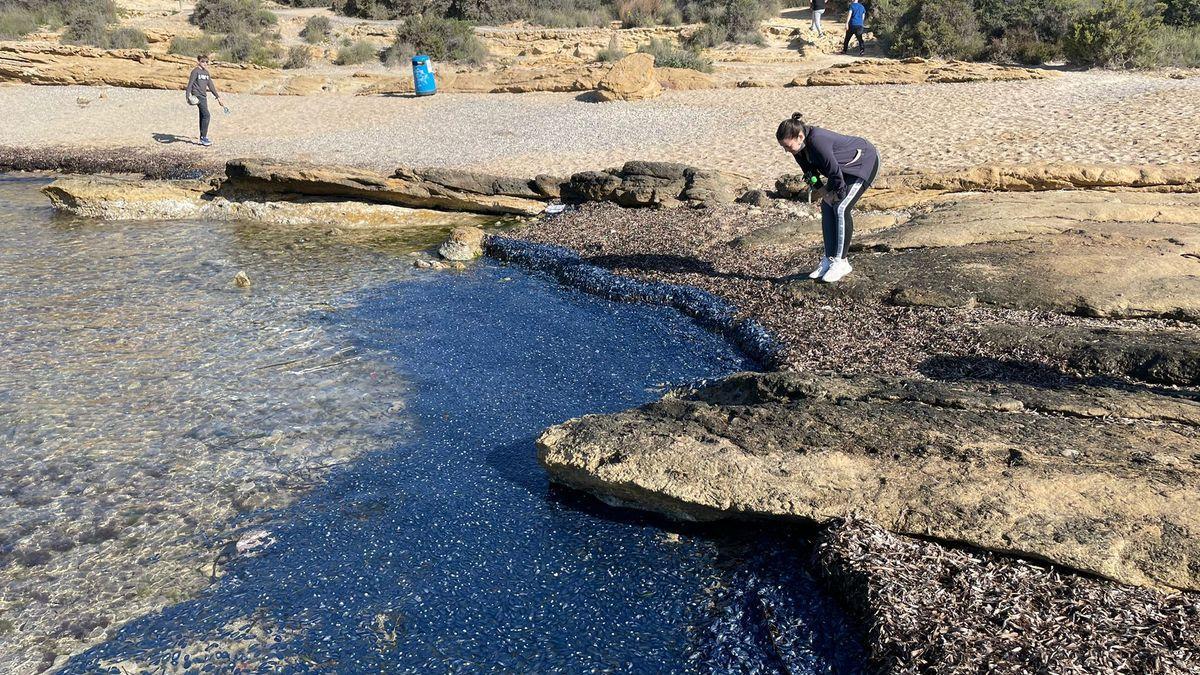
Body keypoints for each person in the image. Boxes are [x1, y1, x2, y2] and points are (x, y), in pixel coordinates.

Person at [776, 112, 880, 283]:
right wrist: (824, 193)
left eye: (788, 146)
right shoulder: (798, 147)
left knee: (841, 208)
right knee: (826, 205)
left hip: (863, 163)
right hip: (841, 170)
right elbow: (809, 173)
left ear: (800, 136)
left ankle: (842, 262)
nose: (787, 151)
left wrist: (838, 195)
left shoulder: (818, 141)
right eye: (784, 147)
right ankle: (829, 258)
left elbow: (834, 172)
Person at [185, 54, 227, 147]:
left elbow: (211, 85)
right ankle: (204, 137)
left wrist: (218, 97)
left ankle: (202, 137)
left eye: (206, 62)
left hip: (204, 96)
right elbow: (190, 84)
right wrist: (187, 96)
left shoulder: (206, 73)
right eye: (203, 61)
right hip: (197, 95)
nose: (205, 63)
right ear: (198, 61)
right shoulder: (195, 71)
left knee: (202, 115)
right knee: (207, 115)